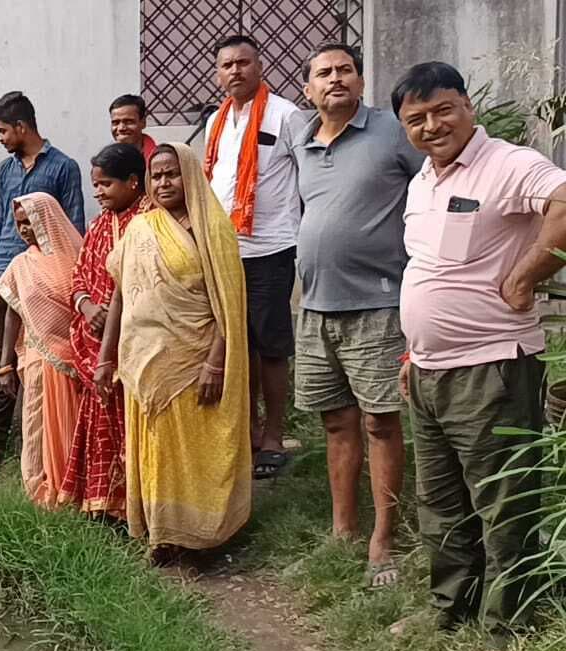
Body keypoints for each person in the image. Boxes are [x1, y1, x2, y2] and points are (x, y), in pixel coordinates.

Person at [392, 62, 566, 648]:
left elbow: (565, 203)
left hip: (491, 366)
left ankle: (506, 630)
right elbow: (429, 270)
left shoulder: (508, 164)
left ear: (467, 106)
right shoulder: (423, 181)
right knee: (439, 502)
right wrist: (413, 351)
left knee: (503, 501)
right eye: (415, 118)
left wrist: (525, 277)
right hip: (429, 370)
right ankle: (451, 607)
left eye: (443, 109)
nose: (431, 125)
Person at [285, 43, 425, 588]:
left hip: (379, 304)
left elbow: (433, 184)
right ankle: (343, 530)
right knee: (336, 422)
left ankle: (383, 539)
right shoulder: (300, 139)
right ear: (308, 89)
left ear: (362, 83)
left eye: (345, 70)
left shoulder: (392, 132)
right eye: (324, 73)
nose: (336, 79)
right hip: (317, 305)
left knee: (380, 422)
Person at [95, 143, 252, 563]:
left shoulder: (213, 229)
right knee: (157, 450)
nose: (163, 182)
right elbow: (119, 295)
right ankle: (162, 536)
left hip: (194, 359)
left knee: (194, 448)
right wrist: (106, 357)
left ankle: (201, 537)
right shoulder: (141, 228)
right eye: (156, 175)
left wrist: (216, 361)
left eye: (172, 174)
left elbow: (228, 304)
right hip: (145, 362)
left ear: (190, 175)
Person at [203, 35, 302, 480]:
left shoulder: (287, 116)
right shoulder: (215, 123)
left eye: (243, 62)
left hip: (272, 247)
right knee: (235, 343)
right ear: (219, 73)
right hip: (226, 250)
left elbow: (305, 175)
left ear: (259, 66)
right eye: (227, 65)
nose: (235, 71)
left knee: (270, 343)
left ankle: (275, 435)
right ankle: (247, 430)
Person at [0, 91, 87, 478]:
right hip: (8, 274)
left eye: (3, 130)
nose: (0, 138)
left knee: (48, 362)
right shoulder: (4, 171)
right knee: (3, 363)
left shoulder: (63, 168)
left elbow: (73, 228)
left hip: (47, 282)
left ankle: (52, 448)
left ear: (23, 127)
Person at [60, 143, 148, 518]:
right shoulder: (97, 225)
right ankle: (102, 504)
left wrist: (111, 314)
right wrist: (86, 306)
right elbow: (79, 275)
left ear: (132, 182)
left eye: (105, 184)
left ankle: (136, 506)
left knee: (132, 425)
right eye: (95, 185)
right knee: (99, 419)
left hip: (135, 341)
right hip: (95, 340)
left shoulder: (149, 223)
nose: (98, 193)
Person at [0, 192, 83, 505]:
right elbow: (13, 316)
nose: (24, 230)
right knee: (36, 425)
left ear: (47, 219)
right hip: (37, 358)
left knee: (72, 427)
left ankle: (73, 490)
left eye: (29, 221)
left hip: (77, 361)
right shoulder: (21, 265)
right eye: (19, 224)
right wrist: (4, 366)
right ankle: (40, 491)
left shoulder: (78, 259)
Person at [109, 94, 159, 161]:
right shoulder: (105, 162)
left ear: (143, 122)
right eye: (115, 123)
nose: (121, 128)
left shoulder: (158, 159)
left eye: (128, 122)